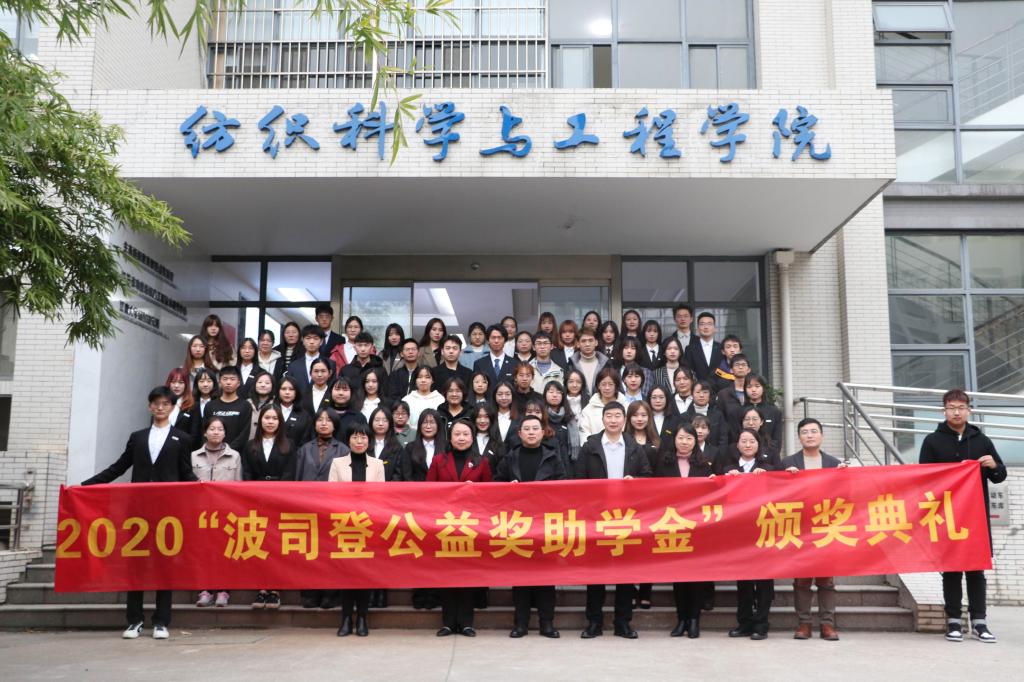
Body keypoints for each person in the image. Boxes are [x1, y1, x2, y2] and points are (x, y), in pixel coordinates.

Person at [82, 386, 198, 640]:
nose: (160, 407)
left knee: (165, 565)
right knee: (136, 565)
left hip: (168, 514)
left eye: (165, 404)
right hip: (138, 512)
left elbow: (186, 474)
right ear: (149, 407)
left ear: (172, 408)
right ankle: (134, 620)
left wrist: (205, 489)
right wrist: (85, 486)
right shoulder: (138, 437)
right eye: (156, 403)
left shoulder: (182, 439)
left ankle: (161, 621)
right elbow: (118, 467)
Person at [919, 389, 1007, 644]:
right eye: (951, 407)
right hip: (947, 516)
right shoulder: (932, 441)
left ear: (969, 410)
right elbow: (923, 478)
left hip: (975, 516)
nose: (956, 412)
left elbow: (999, 476)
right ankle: (954, 621)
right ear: (944, 411)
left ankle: (980, 622)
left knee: (976, 569)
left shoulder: (982, 440)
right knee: (952, 569)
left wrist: (994, 466)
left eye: (961, 407)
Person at [575, 401, 652, 639]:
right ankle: (594, 622)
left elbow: (648, 477)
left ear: (624, 420)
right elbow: (578, 480)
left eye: (618, 416)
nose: (613, 420)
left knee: (625, 574)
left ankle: (623, 622)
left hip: (626, 518)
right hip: (597, 518)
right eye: (609, 416)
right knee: (595, 574)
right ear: (603, 419)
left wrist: (635, 482)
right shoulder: (590, 446)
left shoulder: (634, 447)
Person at [495, 415, 566, 639]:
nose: (531, 432)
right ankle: (521, 623)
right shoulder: (510, 457)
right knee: (520, 577)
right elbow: (495, 485)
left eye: (536, 428)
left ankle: (547, 623)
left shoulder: (553, 457)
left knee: (546, 577)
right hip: (518, 525)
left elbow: (565, 487)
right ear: (519, 433)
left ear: (543, 432)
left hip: (546, 523)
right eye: (527, 429)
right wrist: (507, 488)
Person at [782, 418, 846, 641]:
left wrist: (845, 476)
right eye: (805, 432)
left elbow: (845, 496)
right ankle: (804, 624)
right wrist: (786, 479)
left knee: (826, 580)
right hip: (800, 527)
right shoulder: (788, 462)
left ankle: (827, 624)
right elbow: (777, 495)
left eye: (813, 431)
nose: (809, 435)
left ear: (821, 435)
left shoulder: (833, 463)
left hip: (826, 527)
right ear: (799, 437)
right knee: (802, 579)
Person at [428, 419, 492, 637]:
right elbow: (427, 492)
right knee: (446, 574)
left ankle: (466, 623)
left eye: (465, 434)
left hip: (471, 526)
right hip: (445, 525)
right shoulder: (439, 460)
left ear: (472, 437)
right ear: (450, 437)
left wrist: (476, 491)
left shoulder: (482, 462)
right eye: (457, 434)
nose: (461, 438)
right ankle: (448, 622)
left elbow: (490, 494)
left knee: (468, 574)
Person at [654, 424, 714, 638]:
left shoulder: (704, 465)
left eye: (689, 438)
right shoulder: (664, 463)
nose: (684, 442)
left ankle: (694, 619)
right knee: (678, 576)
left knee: (696, 576)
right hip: (673, 526)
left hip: (697, 527)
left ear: (695, 441)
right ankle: (681, 619)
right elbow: (654, 492)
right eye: (680, 437)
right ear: (674, 440)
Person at [329, 422, 385, 637]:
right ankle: (345, 618)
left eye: (363, 437)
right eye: (355, 437)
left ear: (369, 441)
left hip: (367, 525)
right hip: (345, 524)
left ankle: (362, 617)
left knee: (364, 574)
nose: (359, 441)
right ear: (348, 440)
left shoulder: (377, 464)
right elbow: (331, 495)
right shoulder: (337, 463)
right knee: (346, 574)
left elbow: (380, 496)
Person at [242, 404, 295, 610]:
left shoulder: (289, 445)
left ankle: (275, 589)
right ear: (260, 420)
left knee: (277, 547)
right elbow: (247, 473)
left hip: (280, 501)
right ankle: (261, 588)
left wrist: (277, 494)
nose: (270, 422)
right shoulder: (250, 446)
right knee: (259, 544)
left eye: (274, 418)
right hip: (257, 500)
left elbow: (290, 474)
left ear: (280, 422)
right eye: (267, 418)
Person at [725, 428, 776, 640]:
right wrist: (726, 479)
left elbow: (784, 491)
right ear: (737, 445)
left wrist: (769, 478)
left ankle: (761, 624)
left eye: (751, 441)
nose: (747, 445)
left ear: (758, 445)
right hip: (739, 533)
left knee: (764, 580)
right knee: (743, 580)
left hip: (764, 530)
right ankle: (744, 622)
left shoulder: (769, 468)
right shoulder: (728, 469)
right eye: (743, 441)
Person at [190, 416, 241, 609]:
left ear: (225, 433)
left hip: (225, 511)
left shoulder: (234, 456)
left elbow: (239, 484)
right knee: (203, 551)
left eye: (220, 429)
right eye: (212, 429)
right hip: (201, 512)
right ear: (205, 432)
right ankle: (205, 590)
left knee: (225, 551)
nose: (216, 432)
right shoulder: (194, 456)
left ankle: (223, 590)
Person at [626, 399, 660, 611]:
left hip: (651, 503)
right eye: (635, 415)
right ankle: (629, 590)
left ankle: (646, 591)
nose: (639, 419)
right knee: (628, 548)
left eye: (643, 415)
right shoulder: (623, 440)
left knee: (648, 549)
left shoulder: (657, 441)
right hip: (627, 503)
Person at [206, 366, 253, 452]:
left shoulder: (245, 406)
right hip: (212, 452)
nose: (228, 382)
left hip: (236, 454)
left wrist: (227, 450)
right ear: (220, 382)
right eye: (225, 379)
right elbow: (205, 431)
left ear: (238, 383)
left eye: (232, 379)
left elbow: (244, 434)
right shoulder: (210, 406)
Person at [286, 324, 335, 394]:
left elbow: (332, 387)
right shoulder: (293, 365)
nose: (311, 342)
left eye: (315, 338)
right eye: (308, 338)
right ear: (303, 340)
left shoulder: (331, 364)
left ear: (321, 341)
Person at [579, 367, 627, 440]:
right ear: (598, 386)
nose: (607, 388)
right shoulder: (588, 410)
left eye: (610, 384)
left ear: (616, 386)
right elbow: (584, 435)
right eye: (603, 384)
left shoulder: (626, 407)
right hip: (595, 447)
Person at [680, 380, 729, 449]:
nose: (701, 395)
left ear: (710, 395)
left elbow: (723, 440)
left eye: (705, 392)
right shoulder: (684, 417)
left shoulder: (718, 415)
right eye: (698, 392)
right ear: (692, 394)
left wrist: (718, 454)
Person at [544, 380, 579, 468]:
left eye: (558, 392)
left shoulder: (569, 418)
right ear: (545, 395)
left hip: (567, 464)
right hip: (547, 464)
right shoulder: (541, 417)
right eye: (551, 392)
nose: (555, 395)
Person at [744, 374, 782, 446]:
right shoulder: (739, 410)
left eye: (757, 386)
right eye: (749, 387)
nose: (753, 390)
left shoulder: (774, 411)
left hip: (768, 451)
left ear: (763, 388)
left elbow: (777, 440)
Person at [718, 353, 750, 439]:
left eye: (743, 365)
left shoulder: (753, 392)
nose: (740, 367)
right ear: (731, 370)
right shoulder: (723, 394)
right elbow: (721, 420)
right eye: (737, 365)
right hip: (731, 440)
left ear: (749, 370)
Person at [684, 312, 723, 382]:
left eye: (709, 324)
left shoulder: (722, 348)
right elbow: (687, 371)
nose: (706, 327)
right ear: (697, 329)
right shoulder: (690, 349)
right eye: (702, 324)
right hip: (697, 387)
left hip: (719, 387)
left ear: (715, 328)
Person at [277, 376, 312, 450]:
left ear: (296, 392)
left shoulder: (304, 416)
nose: (287, 392)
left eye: (291, 389)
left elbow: (305, 442)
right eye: (283, 389)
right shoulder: (270, 411)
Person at [570, 327, 609, 394]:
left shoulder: (606, 364)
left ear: (596, 342)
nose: (587, 344)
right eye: (583, 341)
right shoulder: (571, 365)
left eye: (590, 340)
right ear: (578, 344)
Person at [164, 367, 197, 447]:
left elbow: (194, 435)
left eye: (181, 382)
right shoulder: (162, 404)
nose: (176, 386)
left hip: (182, 449)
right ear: (169, 384)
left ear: (186, 385)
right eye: (173, 382)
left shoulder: (193, 406)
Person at [471, 403, 505, 472]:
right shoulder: (467, 439)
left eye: (486, 417)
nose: (482, 421)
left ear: (492, 419)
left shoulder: (497, 441)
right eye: (479, 417)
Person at [190, 368, 219, 444]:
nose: (205, 385)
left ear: (214, 383)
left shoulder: (219, 402)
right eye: (201, 381)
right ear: (196, 383)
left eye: (209, 381)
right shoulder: (191, 403)